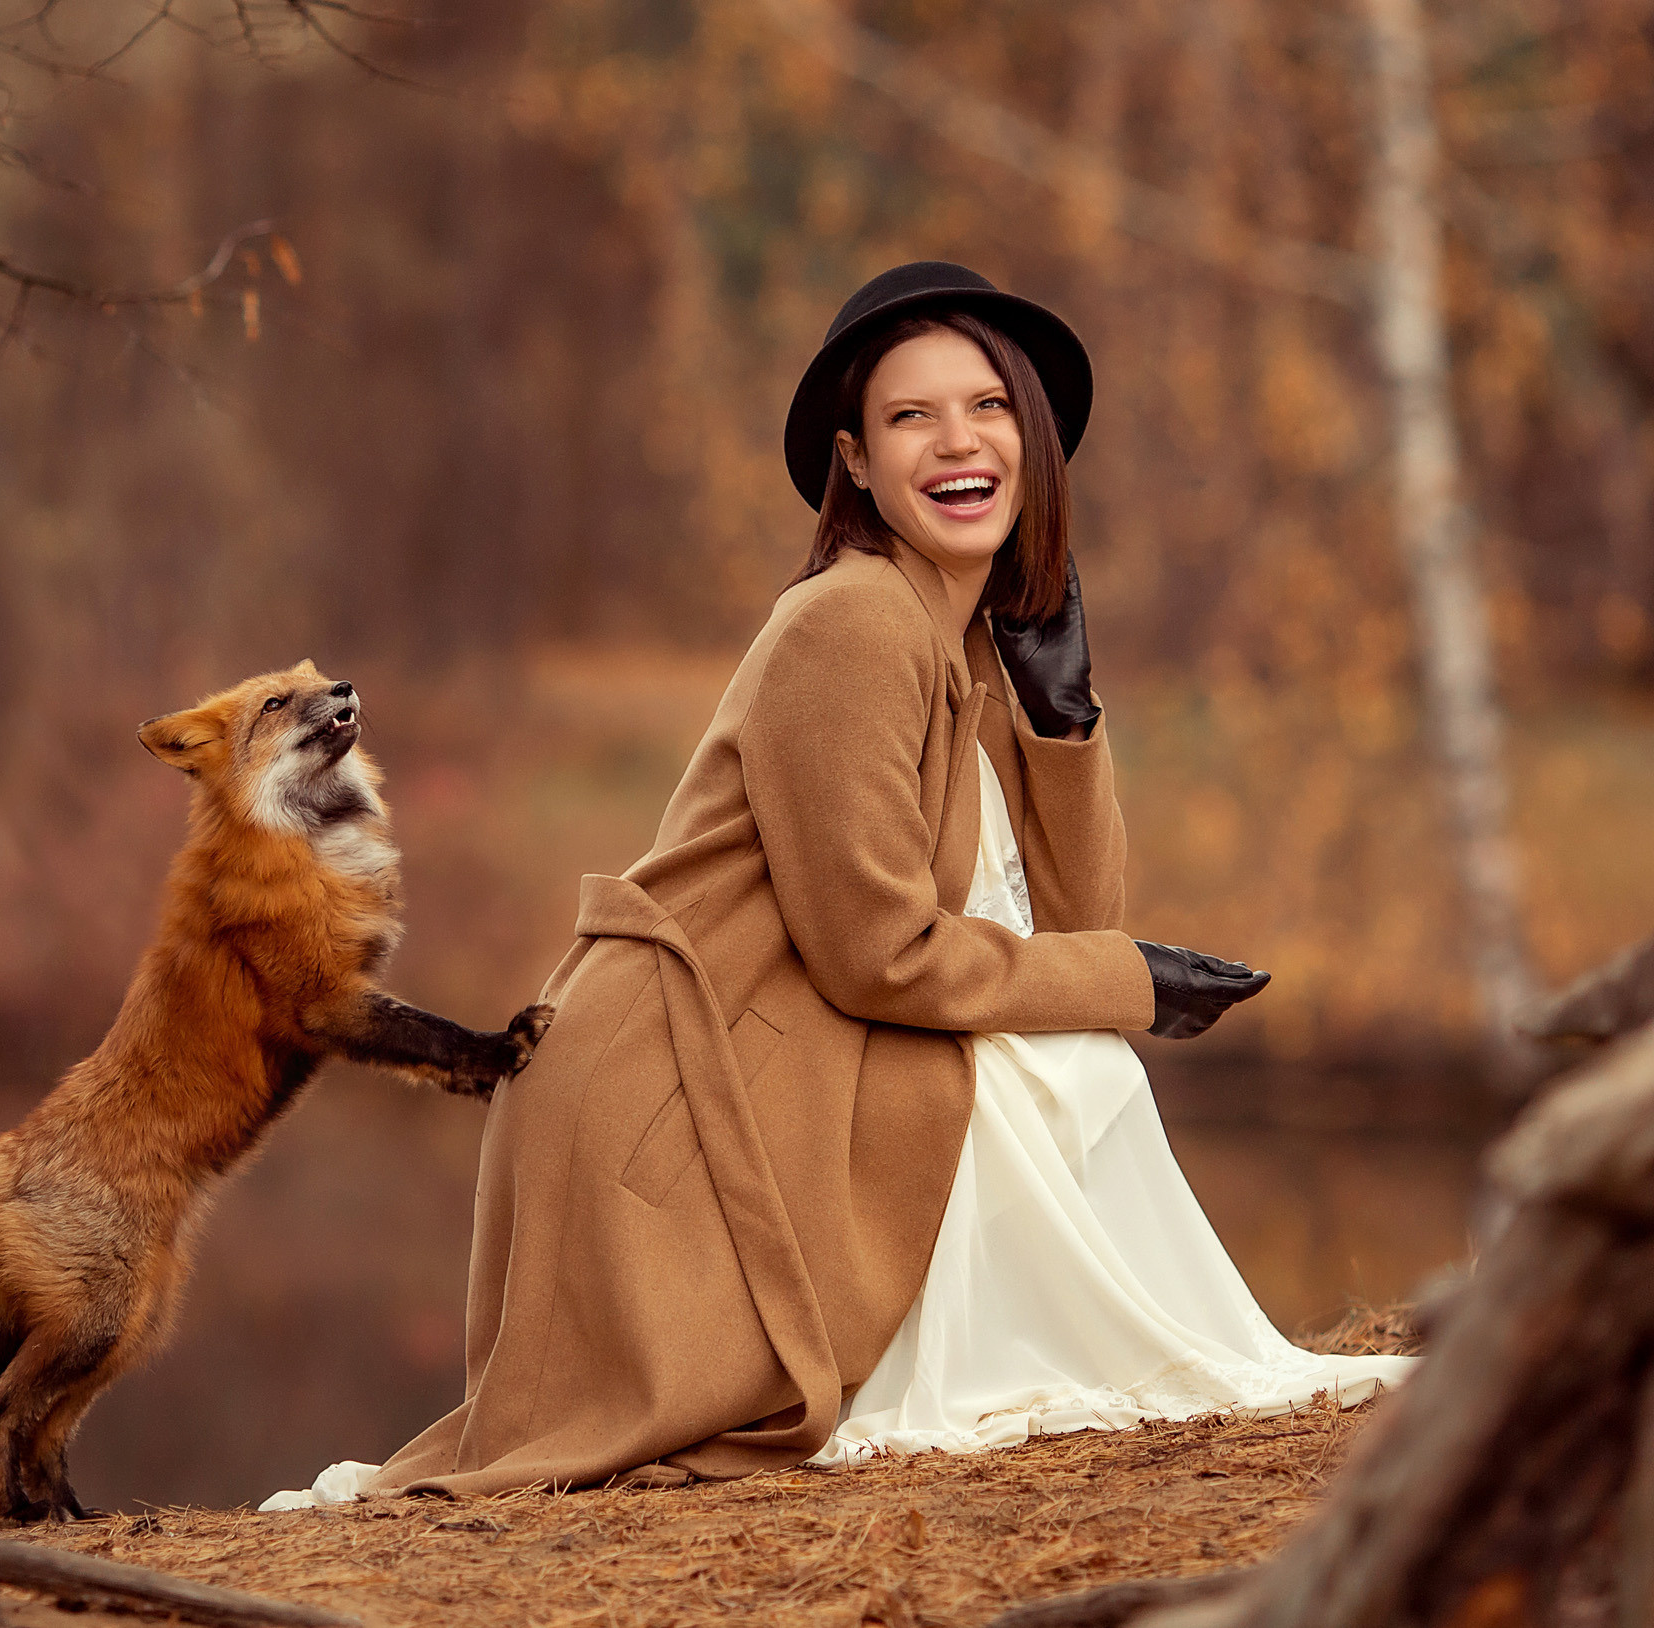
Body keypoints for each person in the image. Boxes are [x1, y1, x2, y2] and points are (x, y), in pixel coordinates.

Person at [260, 262, 1410, 1511]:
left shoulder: (959, 639)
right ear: (856, 463)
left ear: (1031, 437)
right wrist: (1133, 981)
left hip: (791, 1050)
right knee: (1068, 1052)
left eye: (986, 407)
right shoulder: (853, 624)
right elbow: (880, 953)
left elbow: (1075, 920)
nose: (958, 441)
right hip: (685, 1087)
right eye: (911, 417)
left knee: (1070, 1048)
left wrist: (1062, 715)